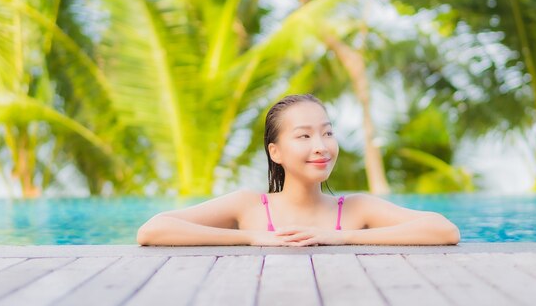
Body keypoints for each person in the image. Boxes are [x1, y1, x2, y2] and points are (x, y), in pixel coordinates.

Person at [137, 94, 460, 246]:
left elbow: (444, 230)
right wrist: (251, 238)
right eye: (304, 136)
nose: (321, 145)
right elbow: (153, 230)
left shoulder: (356, 209)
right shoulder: (248, 206)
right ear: (274, 152)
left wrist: (341, 238)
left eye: (327, 133)